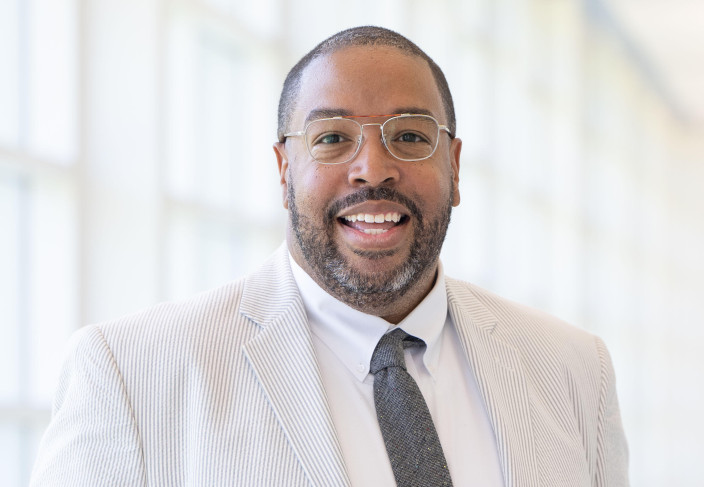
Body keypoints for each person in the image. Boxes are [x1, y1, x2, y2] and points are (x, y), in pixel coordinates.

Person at [31, 26, 629, 486]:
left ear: (453, 164)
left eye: (412, 136)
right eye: (333, 138)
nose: (372, 168)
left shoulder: (575, 369)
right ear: (285, 169)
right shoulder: (131, 375)